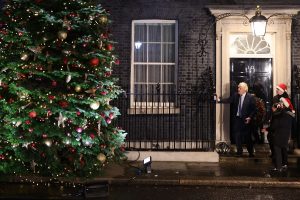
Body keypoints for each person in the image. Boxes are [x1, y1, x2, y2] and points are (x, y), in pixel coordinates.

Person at [218, 82, 257, 157]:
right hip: (237, 119)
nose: (238, 89)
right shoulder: (236, 95)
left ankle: (251, 153)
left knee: (247, 137)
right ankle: (239, 152)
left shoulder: (250, 97)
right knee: (237, 136)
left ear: (245, 89)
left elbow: (254, 109)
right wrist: (219, 100)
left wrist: (250, 117)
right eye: (238, 88)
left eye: (240, 88)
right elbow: (228, 100)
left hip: (246, 120)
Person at [263, 83, 295, 172]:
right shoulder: (285, 106)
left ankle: (279, 166)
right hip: (284, 128)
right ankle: (282, 165)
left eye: (278, 89)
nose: (277, 91)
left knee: (277, 147)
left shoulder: (284, 106)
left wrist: (269, 127)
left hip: (280, 128)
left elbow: (276, 115)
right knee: (281, 146)